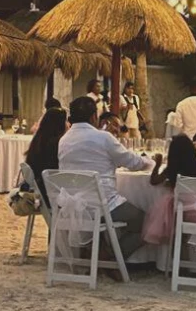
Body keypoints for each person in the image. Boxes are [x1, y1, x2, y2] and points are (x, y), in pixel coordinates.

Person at [59, 96, 152, 260]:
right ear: (94, 116)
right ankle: (112, 256)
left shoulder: (64, 140)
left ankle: (100, 251)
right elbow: (134, 163)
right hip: (103, 205)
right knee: (148, 222)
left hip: (75, 206)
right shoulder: (103, 137)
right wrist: (151, 162)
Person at [143, 134, 196, 246]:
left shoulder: (172, 169)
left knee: (173, 218)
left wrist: (157, 164)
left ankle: (176, 252)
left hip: (178, 206)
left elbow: (154, 181)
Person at [25, 107, 67, 203]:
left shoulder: (38, 140)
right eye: (65, 121)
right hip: (49, 193)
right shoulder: (56, 144)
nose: (67, 124)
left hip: (38, 188)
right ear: (60, 125)